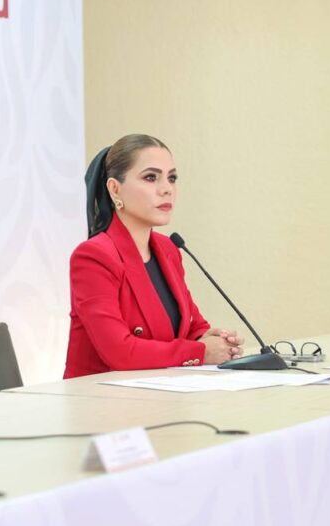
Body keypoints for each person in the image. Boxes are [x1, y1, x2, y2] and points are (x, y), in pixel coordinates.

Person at [64, 134, 244, 378]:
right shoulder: (94, 256)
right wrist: (201, 352)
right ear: (115, 189)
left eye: (172, 178)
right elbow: (119, 352)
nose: (166, 189)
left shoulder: (168, 248)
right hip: (99, 396)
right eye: (151, 177)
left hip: (161, 390)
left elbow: (191, 327)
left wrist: (216, 341)